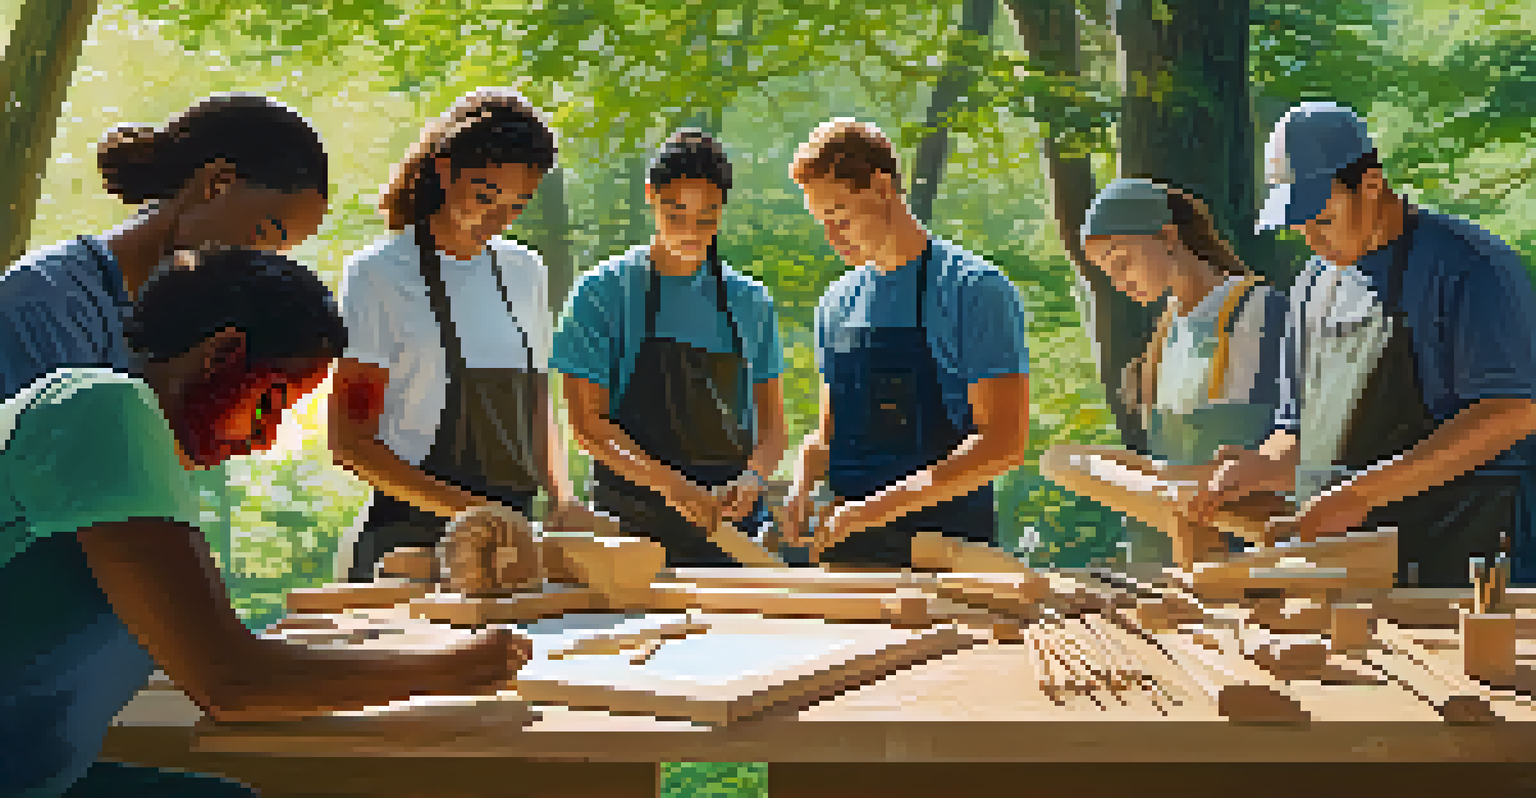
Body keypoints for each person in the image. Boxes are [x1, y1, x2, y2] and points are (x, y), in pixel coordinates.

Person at [0, 247, 530, 797]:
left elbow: (189, 643)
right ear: (221, 355)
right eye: (270, 403)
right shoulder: (104, 408)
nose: (265, 439)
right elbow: (230, 682)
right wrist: (456, 669)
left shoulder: (117, 429)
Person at [1186, 102, 1536, 586]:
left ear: (1371, 185)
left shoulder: (1471, 267)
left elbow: (1509, 414)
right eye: (1300, 226)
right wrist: (1260, 466)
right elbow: (1298, 428)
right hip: (1349, 570)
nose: (1312, 240)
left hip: (1466, 563)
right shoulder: (1310, 288)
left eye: (1324, 220)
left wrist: (1361, 494)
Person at [331, 88, 604, 582]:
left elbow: (536, 400)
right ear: (443, 169)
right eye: (484, 196)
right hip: (408, 543)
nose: (498, 220)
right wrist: (477, 512)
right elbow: (350, 442)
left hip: (512, 544)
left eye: (517, 206)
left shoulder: (526, 271)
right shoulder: (379, 275)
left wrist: (563, 501)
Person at [778, 119, 1032, 570]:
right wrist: (801, 487)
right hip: (847, 561)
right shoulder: (836, 303)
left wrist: (871, 510)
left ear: (880, 187)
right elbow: (827, 437)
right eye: (822, 222)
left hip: (949, 560)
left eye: (840, 216)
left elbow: (1002, 444)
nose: (832, 238)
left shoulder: (973, 289)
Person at [554, 129, 790, 567]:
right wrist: (672, 486)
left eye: (707, 217)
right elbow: (588, 426)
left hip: (730, 537)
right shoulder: (603, 293)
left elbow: (774, 427)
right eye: (675, 212)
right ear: (651, 195)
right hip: (631, 536)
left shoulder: (751, 302)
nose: (690, 230)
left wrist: (754, 477)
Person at [0, 93, 329, 402]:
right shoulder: (47, 301)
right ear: (217, 184)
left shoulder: (188, 336)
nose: (262, 266)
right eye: (266, 234)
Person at [1037, 179, 1289, 567]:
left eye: (1122, 263)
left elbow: (1286, 447)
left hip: (1242, 518)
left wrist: (1180, 482)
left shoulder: (1260, 310)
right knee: (1060, 459)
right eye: (1108, 274)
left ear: (1168, 236)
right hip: (1175, 511)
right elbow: (1163, 461)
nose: (1120, 282)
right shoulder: (1167, 329)